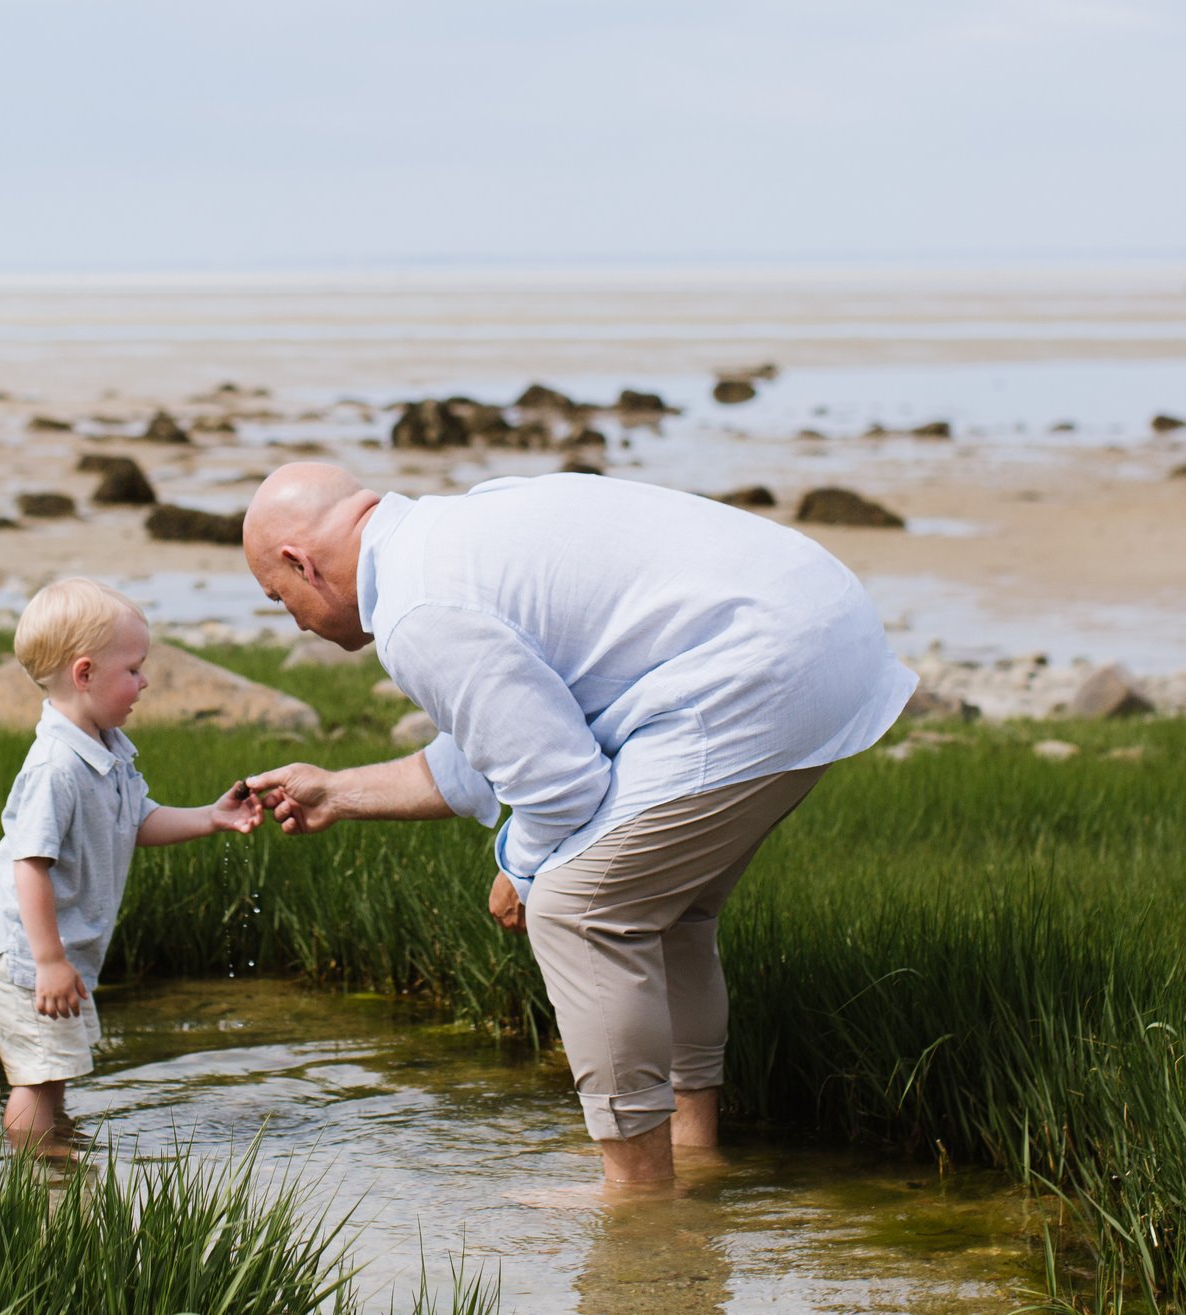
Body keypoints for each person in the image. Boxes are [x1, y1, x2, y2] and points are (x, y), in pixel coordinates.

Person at [242, 464, 915, 1187]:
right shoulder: (451, 535)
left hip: (763, 667)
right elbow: (504, 740)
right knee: (661, 904)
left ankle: (637, 1193)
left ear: (300, 563)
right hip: (824, 629)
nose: (300, 624)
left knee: (578, 907)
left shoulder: (417, 606)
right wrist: (338, 791)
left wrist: (522, 869)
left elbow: (561, 787)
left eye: (283, 601)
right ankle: (694, 1149)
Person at [0, 577, 262, 1152]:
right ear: (85, 673)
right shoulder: (57, 766)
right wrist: (48, 961)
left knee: (56, 1065)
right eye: (134, 669)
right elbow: (30, 864)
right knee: (38, 1074)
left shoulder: (105, 747)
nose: (144, 682)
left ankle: (58, 1156)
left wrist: (211, 817)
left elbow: (135, 820)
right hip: (21, 948)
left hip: (50, 946)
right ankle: (42, 1177)